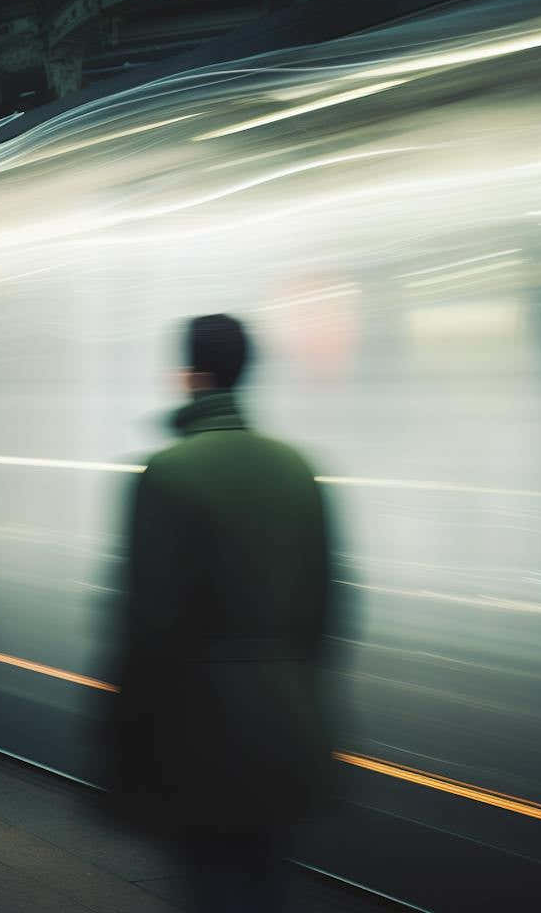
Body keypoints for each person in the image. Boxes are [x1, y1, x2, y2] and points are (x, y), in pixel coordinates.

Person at [112, 314, 336, 913]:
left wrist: (125, 747)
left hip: (200, 741)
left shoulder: (168, 472)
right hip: (288, 733)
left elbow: (148, 629)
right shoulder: (296, 468)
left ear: (187, 375)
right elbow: (324, 616)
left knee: (211, 889)